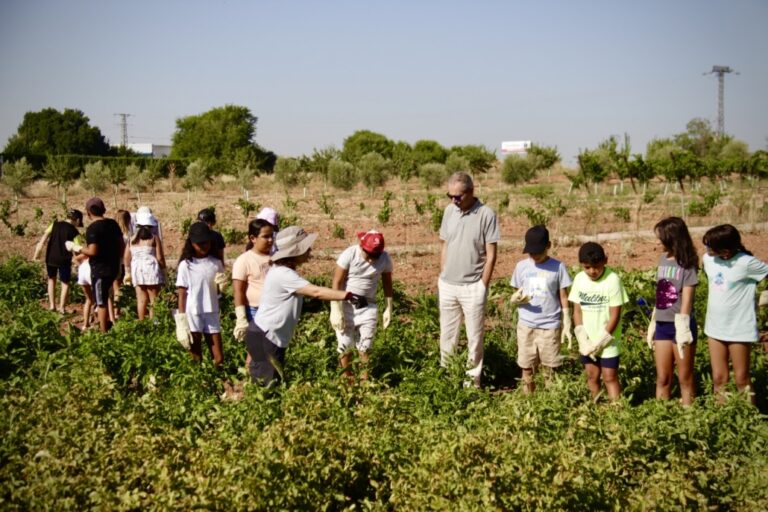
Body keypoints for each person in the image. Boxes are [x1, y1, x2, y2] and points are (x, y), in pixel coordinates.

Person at [245, 226, 366, 387]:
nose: (309, 250)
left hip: (266, 335)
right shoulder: (284, 274)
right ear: (295, 251)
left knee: (269, 384)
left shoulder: (281, 271)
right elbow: (315, 291)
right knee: (266, 387)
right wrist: (348, 295)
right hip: (266, 337)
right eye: (306, 247)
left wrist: (308, 307)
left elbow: (285, 301)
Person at [438, 172, 500, 388]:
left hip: (473, 286)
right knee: (447, 336)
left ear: (471, 192)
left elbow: (491, 254)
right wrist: (442, 273)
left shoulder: (486, 214)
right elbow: (445, 243)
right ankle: (448, 379)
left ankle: (472, 384)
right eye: (450, 196)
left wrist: (483, 285)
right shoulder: (449, 211)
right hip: (448, 285)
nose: (454, 200)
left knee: (474, 339)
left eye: (458, 196)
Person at [702, 224, 768, 405]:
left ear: (725, 250)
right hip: (714, 327)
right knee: (719, 378)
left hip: (739, 327)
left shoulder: (747, 263)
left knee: (741, 379)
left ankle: (749, 416)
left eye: (710, 246)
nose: (706, 249)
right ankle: (721, 415)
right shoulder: (708, 260)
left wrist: (765, 294)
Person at [509, 225, 572, 394]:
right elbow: (516, 289)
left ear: (548, 246)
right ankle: (528, 400)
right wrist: (516, 298)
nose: (534, 256)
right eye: (531, 253)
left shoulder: (558, 267)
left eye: (538, 252)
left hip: (549, 327)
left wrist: (566, 318)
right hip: (526, 325)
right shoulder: (521, 266)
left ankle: (550, 401)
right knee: (527, 368)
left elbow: (563, 295)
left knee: (549, 369)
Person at [646, 217, 699, 406]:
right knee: (662, 377)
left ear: (672, 238)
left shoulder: (687, 264)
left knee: (685, 377)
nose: (657, 242)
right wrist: (654, 319)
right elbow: (661, 291)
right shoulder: (663, 259)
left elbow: (687, 298)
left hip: (680, 326)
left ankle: (689, 414)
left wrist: (683, 326)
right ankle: (661, 414)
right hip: (662, 325)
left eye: (660, 238)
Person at [330, 230, 394, 381]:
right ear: (361, 246)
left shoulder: (385, 258)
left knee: (365, 347)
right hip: (346, 305)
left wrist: (388, 307)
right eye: (369, 255)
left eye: (375, 256)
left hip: (368, 306)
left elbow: (387, 283)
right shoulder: (350, 254)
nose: (371, 260)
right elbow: (337, 282)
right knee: (345, 345)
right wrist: (336, 308)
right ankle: (347, 381)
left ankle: (364, 384)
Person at [569, 242, 628, 401]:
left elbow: (615, 314)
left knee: (609, 377)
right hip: (588, 341)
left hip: (608, 341)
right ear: (581, 265)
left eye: (596, 267)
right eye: (587, 267)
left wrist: (602, 340)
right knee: (592, 375)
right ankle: (596, 407)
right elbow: (577, 311)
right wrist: (582, 338)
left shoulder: (612, 280)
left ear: (605, 261)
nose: (592, 271)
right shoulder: (579, 279)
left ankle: (617, 410)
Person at [67, 198, 124, 332]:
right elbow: (121, 245)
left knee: (101, 302)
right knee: (108, 296)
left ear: (88, 212)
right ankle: (109, 324)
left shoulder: (93, 228)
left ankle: (104, 333)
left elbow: (92, 251)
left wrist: (77, 247)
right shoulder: (113, 224)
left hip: (100, 270)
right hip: (114, 267)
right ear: (103, 210)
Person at [175, 222, 227, 367]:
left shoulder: (216, 263)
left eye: (206, 242)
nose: (204, 246)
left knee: (218, 358)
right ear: (191, 243)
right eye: (199, 243)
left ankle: (217, 377)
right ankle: (199, 379)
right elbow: (182, 294)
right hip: (193, 312)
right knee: (196, 355)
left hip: (212, 311)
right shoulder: (186, 265)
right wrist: (181, 320)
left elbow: (217, 290)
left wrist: (221, 287)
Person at [232, 218, 275, 370]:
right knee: (256, 349)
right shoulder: (244, 260)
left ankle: (264, 377)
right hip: (255, 311)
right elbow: (238, 290)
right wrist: (241, 318)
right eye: (265, 236)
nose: (270, 240)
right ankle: (249, 377)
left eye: (271, 236)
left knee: (270, 348)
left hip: (273, 309)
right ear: (253, 238)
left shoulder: (275, 258)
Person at [33, 209, 83, 313]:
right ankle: (62, 308)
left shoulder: (54, 224)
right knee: (65, 283)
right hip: (64, 260)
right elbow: (77, 250)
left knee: (51, 279)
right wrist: (79, 263)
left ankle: (52, 306)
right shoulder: (74, 232)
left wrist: (36, 255)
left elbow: (43, 239)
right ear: (78, 220)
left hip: (50, 257)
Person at [124, 209, 166, 320]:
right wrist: (164, 271)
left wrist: (127, 272)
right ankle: (155, 323)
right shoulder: (154, 238)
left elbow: (126, 257)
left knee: (141, 300)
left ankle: (142, 323)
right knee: (154, 300)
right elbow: (160, 257)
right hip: (151, 269)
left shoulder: (132, 239)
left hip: (137, 270)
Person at [113, 209, 133, 321]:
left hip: (114, 262)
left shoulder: (113, 234)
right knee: (121, 288)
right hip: (124, 263)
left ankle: (114, 311)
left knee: (115, 287)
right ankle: (118, 311)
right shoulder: (128, 235)